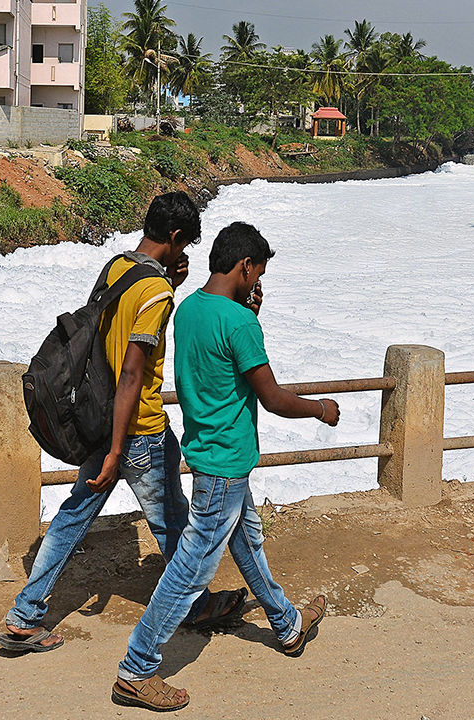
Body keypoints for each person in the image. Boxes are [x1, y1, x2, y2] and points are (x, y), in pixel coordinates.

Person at [0, 193, 247, 654]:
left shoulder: (118, 267)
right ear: (174, 237)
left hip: (101, 418)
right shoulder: (155, 292)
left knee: (74, 517)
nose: (186, 251)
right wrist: (117, 451)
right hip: (137, 430)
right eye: (185, 242)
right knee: (175, 523)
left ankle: (25, 615)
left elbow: (107, 335)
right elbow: (133, 370)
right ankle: (192, 608)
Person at [111, 222, 340, 711]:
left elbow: (215, 362)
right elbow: (273, 398)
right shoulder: (239, 323)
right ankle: (136, 668)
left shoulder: (189, 307)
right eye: (257, 272)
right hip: (225, 462)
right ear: (245, 266)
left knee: (248, 541)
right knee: (189, 570)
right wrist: (320, 408)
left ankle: (288, 625)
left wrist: (245, 310)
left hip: (205, 451)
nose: (258, 282)